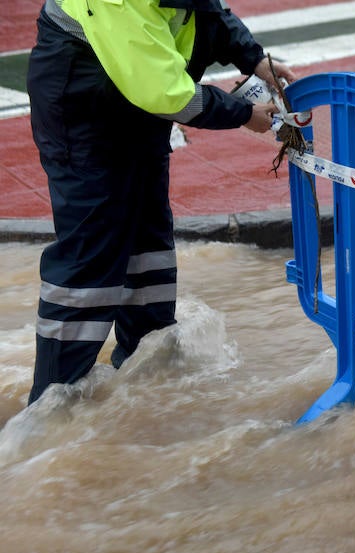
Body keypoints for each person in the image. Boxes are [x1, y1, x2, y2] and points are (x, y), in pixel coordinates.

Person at [26, 0, 295, 404]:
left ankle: (146, 378)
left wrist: (253, 58)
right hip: (83, 104)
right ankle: (52, 407)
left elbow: (205, 12)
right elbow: (168, 92)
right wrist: (242, 113)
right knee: (91, 258)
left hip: (135, 102)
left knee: (147, 243)